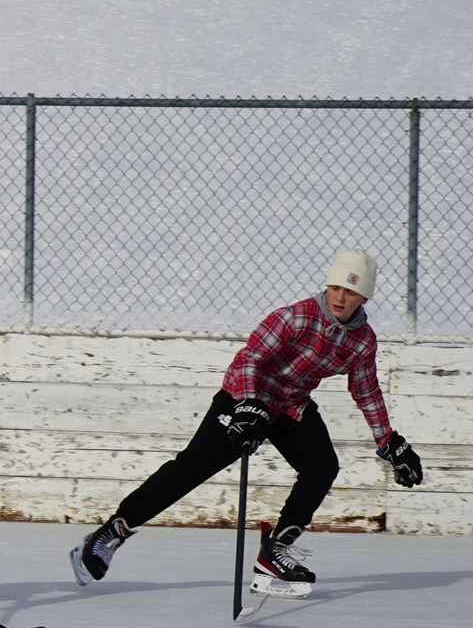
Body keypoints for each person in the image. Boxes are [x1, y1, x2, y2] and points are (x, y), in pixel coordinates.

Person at [69, 250, 426, 597]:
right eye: (335, 288)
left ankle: (275, 552)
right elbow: (249, 359)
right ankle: (112, 531)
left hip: (290, 407)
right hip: (245, 398)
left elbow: (366, 392)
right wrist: (249, 405)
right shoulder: (296, 317)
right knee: (191, 468)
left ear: (363, 297)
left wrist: (390, 442)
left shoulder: (363, 341)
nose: (340, 297)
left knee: (323, 467)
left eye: (350, 292)